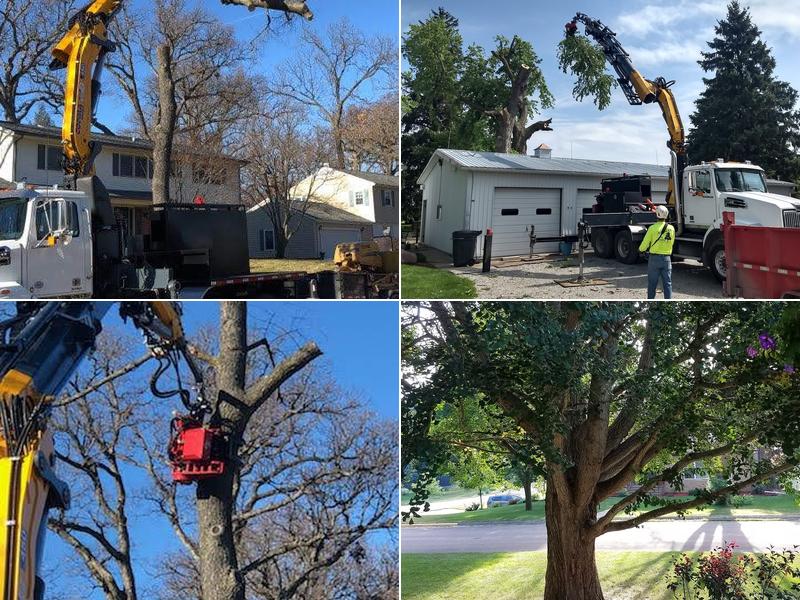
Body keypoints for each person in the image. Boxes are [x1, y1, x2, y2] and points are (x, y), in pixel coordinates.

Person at [639, 205, 675, 299]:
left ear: (657, 215)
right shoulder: (671, 228)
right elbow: (672, 242)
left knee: (652, 284)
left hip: (654, 259)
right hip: (667, 259)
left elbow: (645, 244)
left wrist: (640, 250)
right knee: (667, 283)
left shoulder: (652, 228)